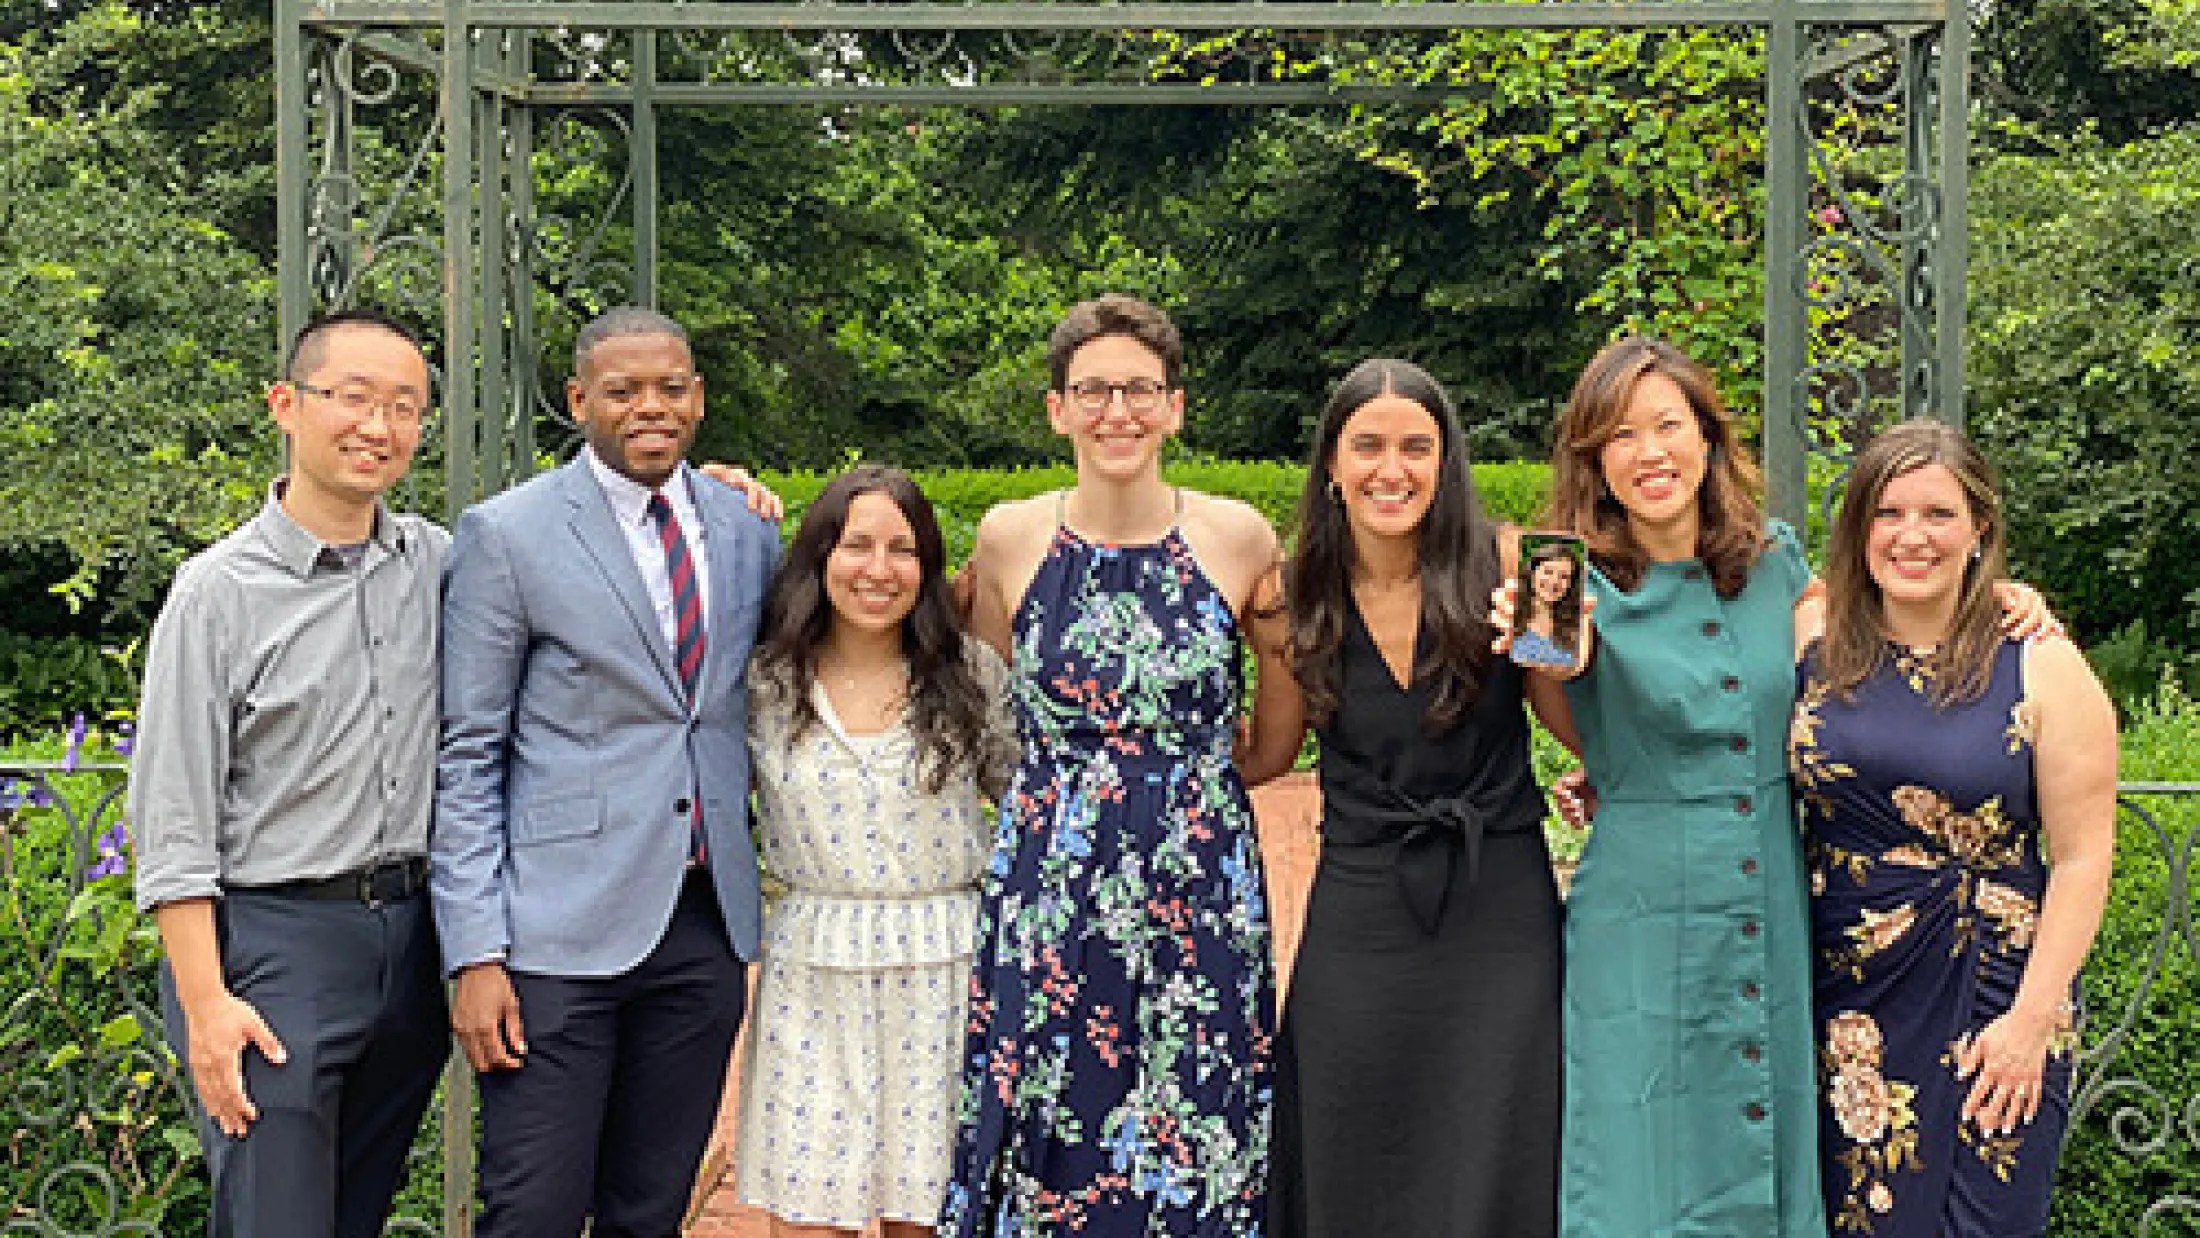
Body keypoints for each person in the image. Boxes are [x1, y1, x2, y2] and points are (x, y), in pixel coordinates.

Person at [1513, 336, 2056, 1238]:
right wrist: (1574, 693)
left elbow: (1878, 634)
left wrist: (2000, 597)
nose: (1649, 452)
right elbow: (1553, 687)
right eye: (1620, 435)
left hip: (1773, 900)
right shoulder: (1560, 578)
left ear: (1706, 437)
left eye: (1666, 425)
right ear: (1593, 459)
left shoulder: (1775, 563)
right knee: (1639, 1155)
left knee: (1763, 1141)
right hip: (1642, 909)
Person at [938, 294, 1285, 1236]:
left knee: (1200, 1097)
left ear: (1175, 407)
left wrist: (1187, 790)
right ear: (1058, 410)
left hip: (1199, 874)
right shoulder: (1009, 537)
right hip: (1053, 874)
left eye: (1139, 390)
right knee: (1051, 1102)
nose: (1116, 412)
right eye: (1093, 391)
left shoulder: (1239, 537)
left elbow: (1277, 734)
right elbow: (979, 698)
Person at [431, 305, 780, 1237]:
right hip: (553, 935)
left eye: (670, 388)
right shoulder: (508, 534)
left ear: (698, 398)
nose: (649, 407)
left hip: (702, 925)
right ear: (580, 399)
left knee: (651, 1209)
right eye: (622, 391)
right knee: (533, 1209)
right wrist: (476, 952)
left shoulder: (745, 529)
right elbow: (469, 753)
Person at [130, 309, 450, 1238]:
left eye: (404, 406)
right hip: (272, 947)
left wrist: (700, 494)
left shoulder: (437, 564)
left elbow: (573, 563)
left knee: (354, 1216)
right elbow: (175, 818)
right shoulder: (217, 593)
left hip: (412, 942)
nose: (378, 426)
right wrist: (205, 1005)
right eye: (353, 398)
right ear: (286, 404)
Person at [1238, 359, 1575, 1237]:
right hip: (1361, 910)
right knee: (1353, 1137)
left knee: (1503, 1135)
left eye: (1417, 447)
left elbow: (1578, 728)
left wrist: (1568, 647)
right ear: (1332, 464)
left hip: (1500, 905)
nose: (1393, 469)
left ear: (1446, 460)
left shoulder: (1521, 563)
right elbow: (1269, 752)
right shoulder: (1287, 597)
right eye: (1369, 446)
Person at [1789, 420, 2116, 1237]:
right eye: (1888, 512)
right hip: (1841, 1004)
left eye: (1938, 514)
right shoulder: (1815, 640)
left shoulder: (2042, 666)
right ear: (1860, 527)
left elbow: (2082, 858)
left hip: (1995, 1004)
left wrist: (2030, 1024)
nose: (1912, 535)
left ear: (1980, 529)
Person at [736, 465, 1019, 1237]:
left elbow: (1032, 805)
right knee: (807, 1214)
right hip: (812, 966)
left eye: (903, 549)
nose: (878, 568)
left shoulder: (970, 674)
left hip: (945, 966)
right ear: (820, 556)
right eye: (856, 545)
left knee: (924, 1217)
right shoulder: (764, 683)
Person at [1511, 540, 1583, 670]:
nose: (1554, 581)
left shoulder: (1577, 624)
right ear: (1532, 572)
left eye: (1564, 577)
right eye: (1548, 572)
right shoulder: (1509, 612)